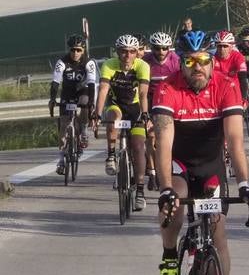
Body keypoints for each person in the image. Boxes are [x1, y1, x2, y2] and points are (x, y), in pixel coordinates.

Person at [153, 30, 249, 275]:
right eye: (189, 61)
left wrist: (245, 184)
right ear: (181, 63)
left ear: (212, 62)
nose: (197, 67)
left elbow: (236, 141)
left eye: (203, 60)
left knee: (217, 232)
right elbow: (163, 144)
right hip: (180, 164)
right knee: (177, 202)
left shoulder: (225, 85)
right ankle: (170, 256)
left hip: (211, 167)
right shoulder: (168, 88)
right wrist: (165, 189)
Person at [95, 34, 152, 209]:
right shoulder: (109, 65)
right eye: (123, 52)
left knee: (139, 147)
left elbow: (143, 93)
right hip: (116, 104)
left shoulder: (143, 66)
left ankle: (140, 190)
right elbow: (103, 90)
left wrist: (145, 114)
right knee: (113, 118)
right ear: (117, 52)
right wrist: (97, 114)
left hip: (135, 108)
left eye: (131, 52)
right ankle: (111, 155)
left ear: (137, 53)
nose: (127, 56)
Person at [49, 33, 97, 176]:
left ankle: (83, 131)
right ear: (68, 50)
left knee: (84, 104)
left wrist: (91, 104)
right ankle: (61, 160)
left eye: (78, 50)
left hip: (83, 91)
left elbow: (91, 84)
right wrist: (52, 99)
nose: (75, 53)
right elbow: (55, 82)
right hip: (68, 93)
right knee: (63, 126)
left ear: (83, 50)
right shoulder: (62, 62)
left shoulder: (89, 62)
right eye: (72, 50)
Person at [142, 32, 179, 190]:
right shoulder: (145, 62)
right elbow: (142, 90)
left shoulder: (175, 60)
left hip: (170, 100)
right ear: (152, 48)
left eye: (165, 48)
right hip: (151, 99)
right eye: (158, 48)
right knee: (151, 137)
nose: (162, 52)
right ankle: (152, 172)